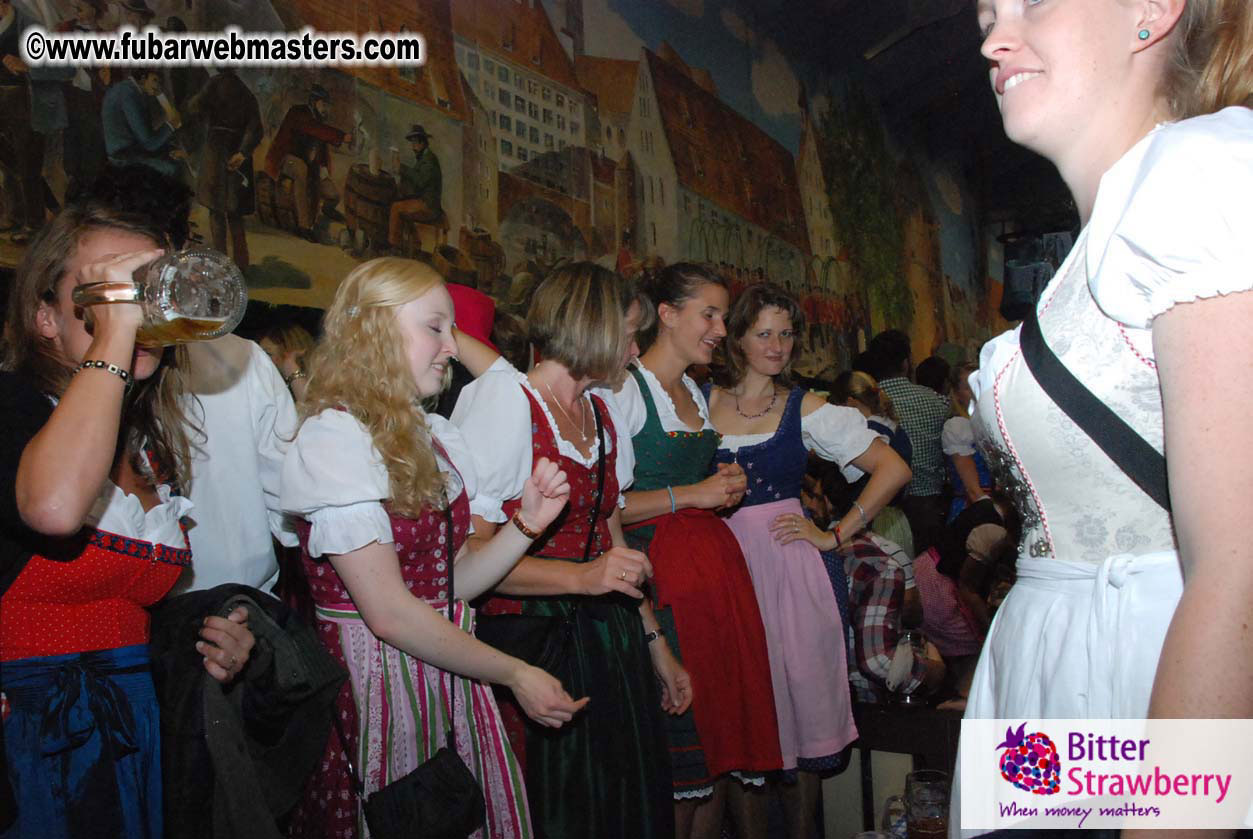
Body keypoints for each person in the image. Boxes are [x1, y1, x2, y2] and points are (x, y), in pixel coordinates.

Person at [962, 0, 1253, 817]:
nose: (993, 37)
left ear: (1152, 11)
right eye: (986, 13)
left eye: (1032, 3)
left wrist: (1174, 820)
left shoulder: (1199, 171)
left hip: (1146, 686)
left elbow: (1240, 569)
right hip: (1056, 688)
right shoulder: (1107, 230)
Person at [281, 257, 585, 839]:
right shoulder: (335, 440)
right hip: (375, 686)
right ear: (374, 330)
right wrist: (514, 672)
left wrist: (525, 526)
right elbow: (391, 614)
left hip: (444, 667)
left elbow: (451, 587)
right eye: (435, 327)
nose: (451, 346)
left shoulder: (433, 436)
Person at [0, 201, 254, 837]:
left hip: (135, 728)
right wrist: (116, 335)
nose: (133, 308)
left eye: (143, 287)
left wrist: (206, 640)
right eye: (106, 288)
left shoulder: (146, 439)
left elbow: (125, 612)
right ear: (45, 318)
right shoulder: (10, 408)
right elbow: (54, 510)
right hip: (29, 737)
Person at [452, 262, 687, 839]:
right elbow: (471, 559)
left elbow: (613, 539)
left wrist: (655, 643)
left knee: (621, 806)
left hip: (608, 641)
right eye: (629, 333)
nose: (636, 349)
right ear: (594, 329)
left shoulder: (602, 411)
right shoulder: (506, 403)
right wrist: (582, 578)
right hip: (529, 641)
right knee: (558, 809)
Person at [705, 283, 912, 839]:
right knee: (743, 718)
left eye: (787, 333)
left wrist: (835, 533)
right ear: (739, 337)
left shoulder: (811, 407)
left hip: (790, 570)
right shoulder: (702, 402)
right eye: (764, 333)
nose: (777, 345)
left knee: (800, 715)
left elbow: (893, 469)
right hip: (724, 569)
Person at [616, 263, 782, 839]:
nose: (720, 327)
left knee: (716, 757)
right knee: (681, 759)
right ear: (667, 314)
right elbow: (604, 510)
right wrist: (696, 493)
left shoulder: (691, 390)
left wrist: (720, 491)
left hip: (714, 575)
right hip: (663, 580)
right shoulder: (626, 392)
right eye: (708, 313)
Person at [864, 330, 950, 553]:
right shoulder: (936, 401)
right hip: (928, 505)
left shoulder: (866, 403)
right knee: (930, 570)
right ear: (906, 363)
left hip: (880, 506)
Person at [183, 67, 262, 269]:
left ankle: (220, 263)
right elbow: (256, 128)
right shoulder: (246, 91)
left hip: (216, 151)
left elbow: (193, 107)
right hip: (237, 152)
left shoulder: (213, 83)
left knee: (217, 212)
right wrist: (242, 153)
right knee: (235, 214)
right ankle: (241, 264)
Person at [831, 369, 915, 557]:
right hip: (895, 518)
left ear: (850, 403)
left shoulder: (868, 434)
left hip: (873, 521)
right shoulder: (893, 427)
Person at [263, 84, 352, 242]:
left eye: (327, 105)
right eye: (323, 104)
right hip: (285, 158)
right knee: (301, 170)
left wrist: (323, 171)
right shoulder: (299, 112)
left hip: (308, 164)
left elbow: (320, 149)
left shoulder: (318, 120)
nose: (326, 109)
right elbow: (315, 129)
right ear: (314, 102)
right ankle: (304, 226)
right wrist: (341, 136)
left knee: (332, 194)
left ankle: (327, 209)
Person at [101, 68, 185, 180]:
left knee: (175, 151)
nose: (157, 85)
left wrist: (160, 95)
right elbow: (149, 143)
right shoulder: (128, 94)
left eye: (159, 82)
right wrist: (171, 125)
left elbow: (149, 135)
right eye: (154, 80)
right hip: (124, 157)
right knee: (173, 168)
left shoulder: (132, 89)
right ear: (142, 78)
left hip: (133, 149)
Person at [941, 363, 992, 522]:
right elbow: (973, 489)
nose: (976, 392)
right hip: (974, 510)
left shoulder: (992, 424)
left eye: (980, 384)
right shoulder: (958, 426)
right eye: (969, 387)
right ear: (956, 394)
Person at [387, 123, 443, 249]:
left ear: (422, 143)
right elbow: (417, 180)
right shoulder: (424, 158)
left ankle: (394, 247)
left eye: (414, 143)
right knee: (402, 204)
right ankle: (415, 243)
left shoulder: (429, 160)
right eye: (412, 143)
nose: (413, 147)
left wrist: (401, 168)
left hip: (429, 206)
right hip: (424, 202)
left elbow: (420, 181)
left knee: (396, 208)